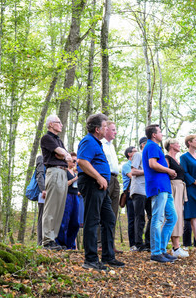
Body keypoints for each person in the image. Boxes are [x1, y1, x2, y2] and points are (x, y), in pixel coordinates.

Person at [77, 113, 124, 271]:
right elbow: (82, 161)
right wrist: (98, 177)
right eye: (105, 126)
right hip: (92, 183)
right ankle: (90, 259)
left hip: (101, 186)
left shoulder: (97, 143)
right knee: (92, 220)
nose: (107, 129)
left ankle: (108, 256)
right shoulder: (88, 141)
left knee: (109, 218)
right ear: (97, 129)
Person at [142, 124, 178, 263]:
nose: (162, 134)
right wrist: (168, 170)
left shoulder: (155, 147)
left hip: (165, 187)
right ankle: (155, 252)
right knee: (157, 219)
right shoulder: (151, 146)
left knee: (172, 218)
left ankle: (162, 250)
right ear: (153, 135)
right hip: (157, 186)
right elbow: (152, 164)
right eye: (160, 132)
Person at [40, 115, 72, 250]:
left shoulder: (58, 140)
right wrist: (63, 154)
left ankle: (53, 239)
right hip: (54, 172)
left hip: (63, 173)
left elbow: (65, 157)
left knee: (59, 208)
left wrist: (64, 155)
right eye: (59, 123)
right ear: (51, 124)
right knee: (51, 206)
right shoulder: (47, 138)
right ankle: (47, 240)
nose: (61, 125)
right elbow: (60, 153)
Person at [164, 138, 189, 258]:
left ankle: (176, 246)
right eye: (177, 143)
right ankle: (174, 247)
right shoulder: (167, 158)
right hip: (172, 187)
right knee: (173, 216)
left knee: (179, 216)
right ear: (171, 145)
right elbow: (164, 173)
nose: (179, 145)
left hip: (180, 188)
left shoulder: (177, 160)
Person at [102, 121, 122, 253]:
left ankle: (110, 243)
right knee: (102, 210)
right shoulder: (101, 144)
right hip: (105, 178)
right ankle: (100, 243)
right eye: (113, 130)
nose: (115, 132)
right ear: (106, 130)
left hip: (115, 179)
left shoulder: (112, 146)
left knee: (113, 212)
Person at [131, 137, 152, 252]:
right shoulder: (138, 155)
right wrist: (148, 171)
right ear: (143, 145)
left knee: (152, 216)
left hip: (149, 190)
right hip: (139, 190)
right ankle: (139, 244)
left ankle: (148, 243)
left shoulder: (150, 158)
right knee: (139, 217)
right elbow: (133, 172)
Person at [56, 153, 81, 249]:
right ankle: (61, 243)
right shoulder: (64, 171)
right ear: (68, 161)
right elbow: (63, 184)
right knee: (65, 220)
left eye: (76, 161)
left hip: (75, 196)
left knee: (75, 222)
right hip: (67, 196)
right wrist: (75, 179)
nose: (75, 163)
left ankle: (71, 244)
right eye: (73, 160)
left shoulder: (74, 172)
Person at [122, 146, 138, 251]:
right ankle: (132, 244)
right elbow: (133, 176)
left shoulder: (138, 165)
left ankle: (139, 242)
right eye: (135, 152)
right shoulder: (126, 166)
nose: (137, 153)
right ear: (129, 154)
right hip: (129, 194)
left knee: (139, 218)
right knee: (132, 219)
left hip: (139, 194)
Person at [35, 155, 46, 246]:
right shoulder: (41, 158)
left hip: (52, 192)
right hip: (43, 193)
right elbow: (39, 175)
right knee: (42, 217)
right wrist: (43, 189)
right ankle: (40, 243)